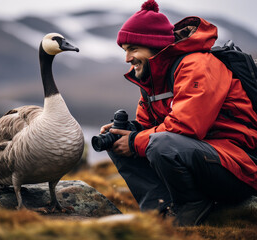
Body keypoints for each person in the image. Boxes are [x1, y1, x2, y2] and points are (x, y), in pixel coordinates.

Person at [99, 0, 257, 226]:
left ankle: (192, 204)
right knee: (117, 137)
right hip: (205, 158)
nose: (127, 58)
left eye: (133, 49)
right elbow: (147, 128)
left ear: (153, 44)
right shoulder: (155, 78)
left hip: (239, 167)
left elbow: (187, 127)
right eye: (125, 50)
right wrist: (128, 134)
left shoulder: (197, 65)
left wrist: (135, 141)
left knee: (159, 144)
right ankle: (161, 211)